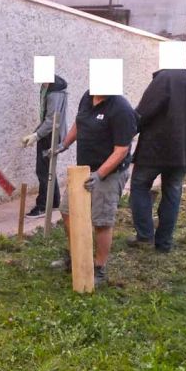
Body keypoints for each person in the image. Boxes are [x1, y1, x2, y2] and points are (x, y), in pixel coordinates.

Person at [127, 51, 186, 253]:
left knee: (140, 186)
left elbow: (144, 112)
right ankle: (164, 243)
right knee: (173, 192)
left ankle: (145, 236)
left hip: (155, 149)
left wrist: (128, 130)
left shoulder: (165, 78)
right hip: (185, 150)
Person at [50, 90, 138, 286]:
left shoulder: (121, 109)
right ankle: (77, 256)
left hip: (109, 173)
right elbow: (79, 123)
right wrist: (63, 145)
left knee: (102, 221)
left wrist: (100, 175)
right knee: (67, 212)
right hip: (83, 170)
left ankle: (99, 268)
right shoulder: (87, 97)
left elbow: (122, 150)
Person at [21, 75, 68, 218]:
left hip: (52, 135)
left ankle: (42, 206)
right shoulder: (45, 87)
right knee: (48, 168)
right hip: (47, 133)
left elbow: (51, 120)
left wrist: (36, 135)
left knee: (43, 170)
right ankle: (53, 202)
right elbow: (45, 117)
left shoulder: (55, 91)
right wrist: (35, 133)